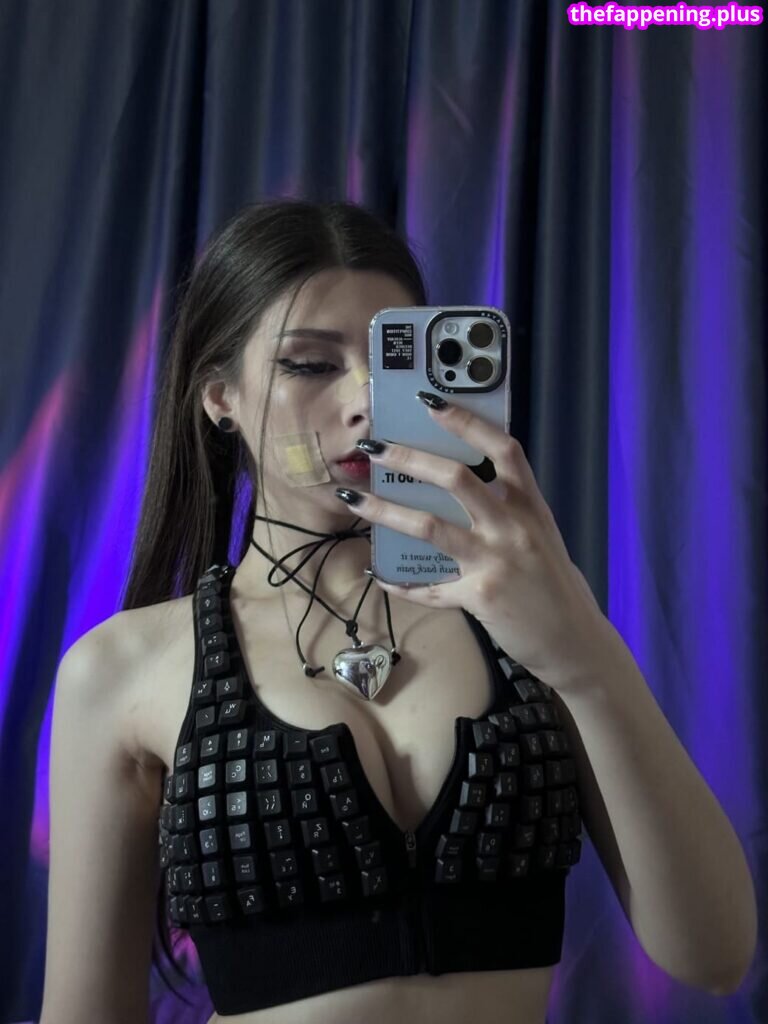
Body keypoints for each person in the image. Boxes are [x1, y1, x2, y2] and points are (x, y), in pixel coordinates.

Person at [40, 199, 753, 1024]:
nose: (368, 400)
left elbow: (716, 955)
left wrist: (584, 655)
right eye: (311, 365)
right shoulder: (123, 669)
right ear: (221, 395)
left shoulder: (527, 620)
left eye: (395, 360)